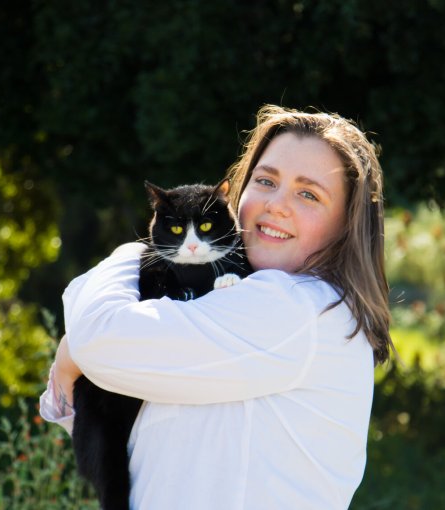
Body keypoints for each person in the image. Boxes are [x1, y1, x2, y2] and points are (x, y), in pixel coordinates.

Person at [39, 105, 395, 509]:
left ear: (348, 224)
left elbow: (97, 339)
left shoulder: (299, 311)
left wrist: (135, 255)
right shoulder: (232, 301)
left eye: (308, 194)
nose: (276, 205)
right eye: (266, 181)